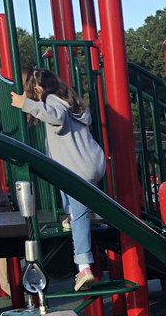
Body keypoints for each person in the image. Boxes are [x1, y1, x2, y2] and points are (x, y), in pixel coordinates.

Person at [10, 68, 106, 291]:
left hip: (77, 170)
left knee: (78, 213)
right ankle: (84, 212)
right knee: (72, 199)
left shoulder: (51, 99)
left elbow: (56, 116)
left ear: (38, 88)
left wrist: (26, 104)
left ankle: (84, 267)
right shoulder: (71, 100)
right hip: (92, 164)